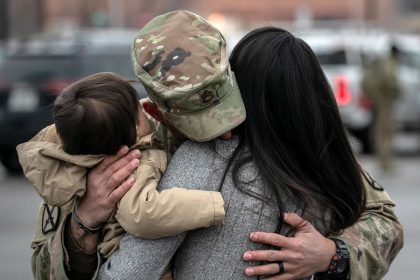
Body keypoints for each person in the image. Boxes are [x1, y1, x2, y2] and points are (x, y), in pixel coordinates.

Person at [29, 11, 403, 280]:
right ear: (154, 113)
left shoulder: (269, 138)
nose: (226, 134)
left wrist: (331, 256)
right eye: (203, 123)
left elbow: (384, 221)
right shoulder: (105, 147)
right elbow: (44, 269)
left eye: (229, 112)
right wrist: (84, 224)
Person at [17, 71, 238, 278]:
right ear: (134, 125)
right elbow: (45, 272)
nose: (147, 110)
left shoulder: (83, 137)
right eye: (140, 111)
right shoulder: (133, 161)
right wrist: (82, 223)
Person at [361, 45, 401, 171]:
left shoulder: (382, 64)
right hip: (385, 103)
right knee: (385, 133)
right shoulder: (389, 64)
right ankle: (385, 162)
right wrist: (392, 93)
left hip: (380, 102)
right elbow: (390, 82)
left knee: (382, 132)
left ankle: (384, 161)